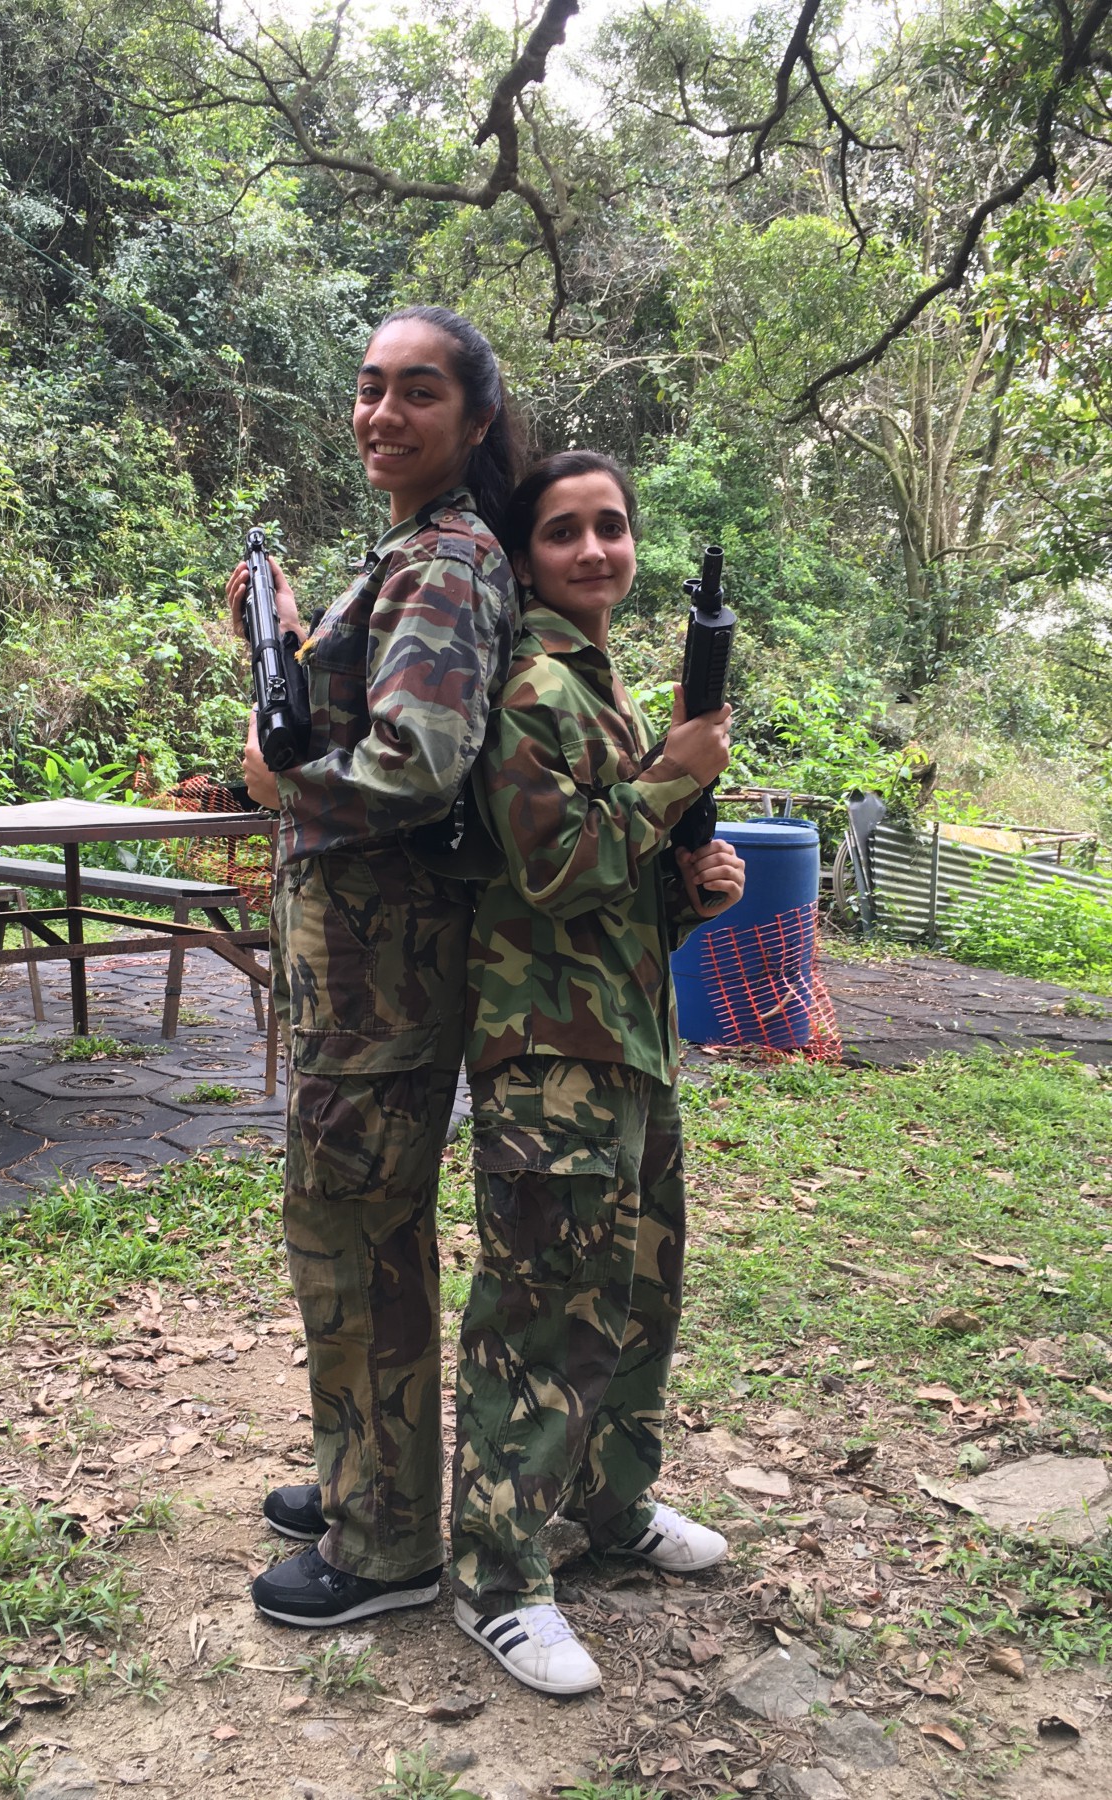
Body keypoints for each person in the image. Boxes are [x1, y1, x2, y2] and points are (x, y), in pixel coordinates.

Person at [225, 306, 522, 1628]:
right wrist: (290, 638)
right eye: (367, 388)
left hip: (384, 971)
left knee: (355, 1231)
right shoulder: (410, 550)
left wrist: (281, 789)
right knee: (355, 1224)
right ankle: (367, 1477)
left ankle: (385, 1542)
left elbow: (417, 763)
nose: (381, 413)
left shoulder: (448, 560)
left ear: (474, 419)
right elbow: (356, 715)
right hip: (360, 965)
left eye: (417, 392)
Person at [449, 450, 746, 1695]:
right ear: (527, 558)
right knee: (541, 1315)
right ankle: (498, 1579)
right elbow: (554, 869)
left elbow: (614, 897)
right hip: (547, 1060)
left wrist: (690, 892)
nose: (594, 549)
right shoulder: (530, 685)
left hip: (628, 1044)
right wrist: (679, 772)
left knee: (634, 1297)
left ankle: (612, 1506)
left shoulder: (607, 691)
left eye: (612, 526)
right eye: (564, 530)